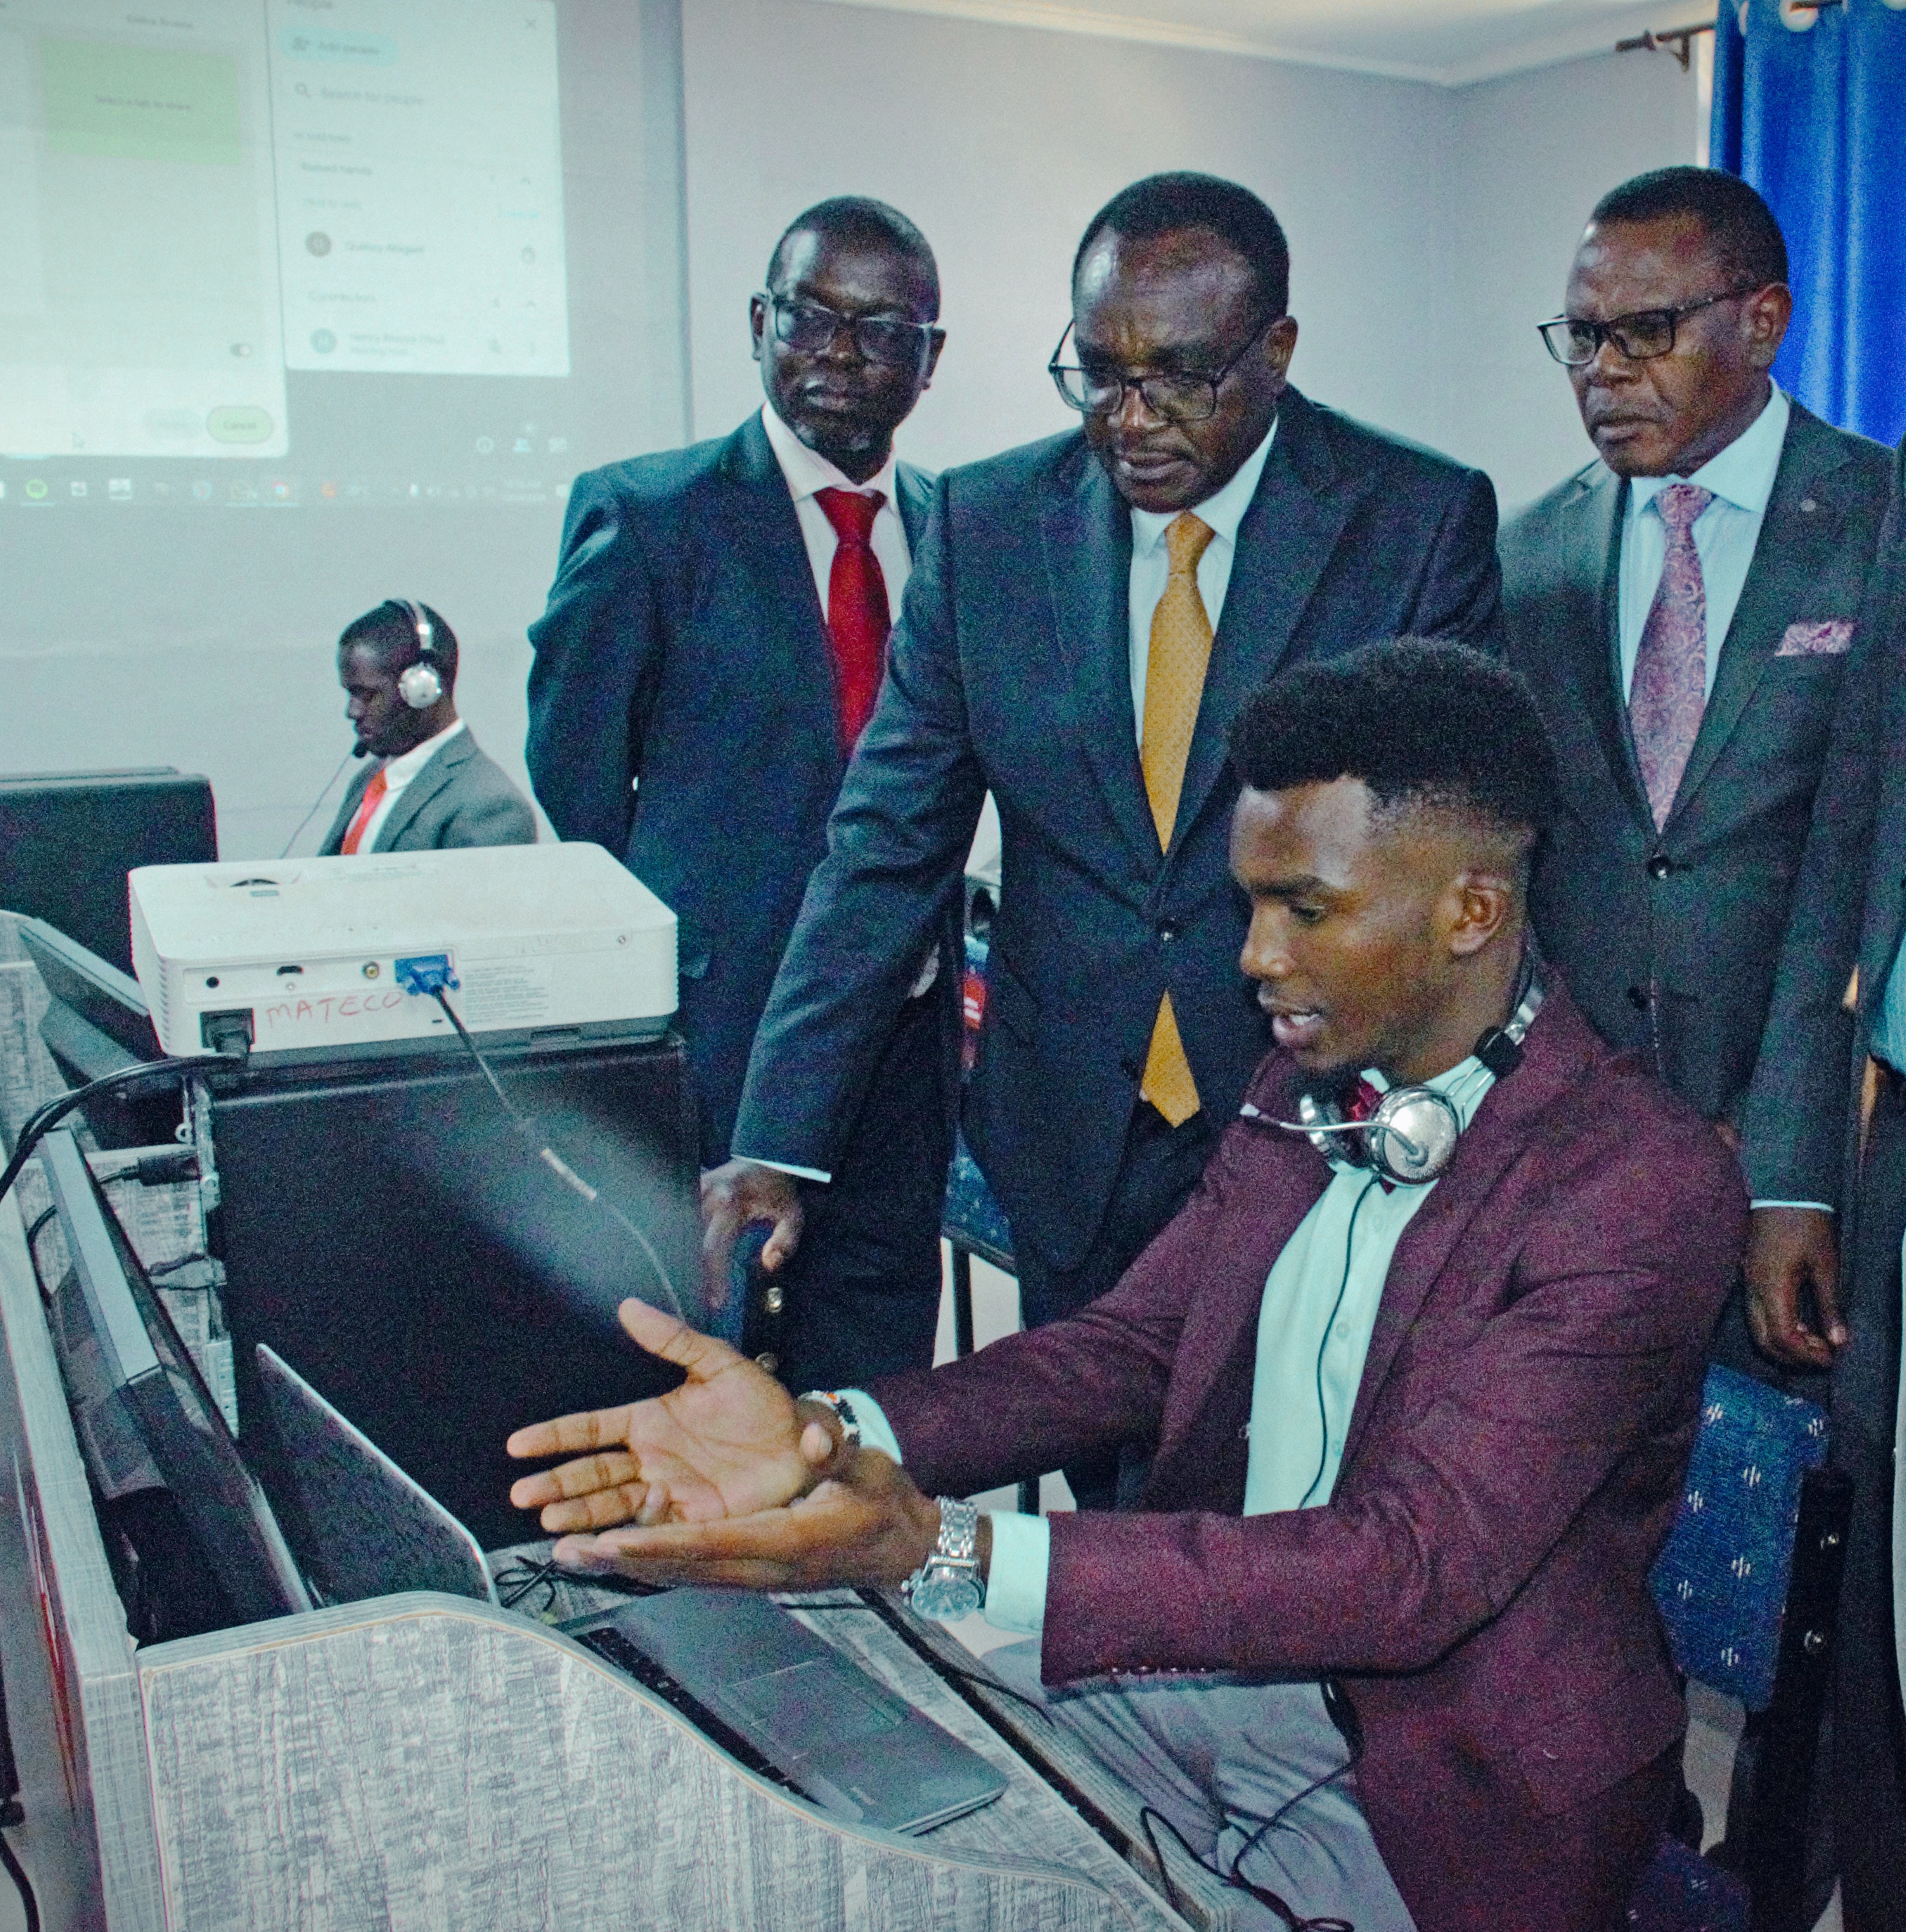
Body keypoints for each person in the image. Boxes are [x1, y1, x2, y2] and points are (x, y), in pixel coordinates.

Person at [510, 640, 1741, 1932]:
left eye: (1302, 910)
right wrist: (828, 1435)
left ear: (1469, 911)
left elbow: (1407, 1566)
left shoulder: (1631, 1184)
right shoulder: (1299, 1091)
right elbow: (1126, 1350)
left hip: (1442, 1792)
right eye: (1247, 906)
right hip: (1211, 1673)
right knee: (846, 1835)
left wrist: (944, 1553)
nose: (1254, 958)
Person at [703, 173, 1503, 1501]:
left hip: (1319, 1116)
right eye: (1096, 374)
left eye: (1178, 378)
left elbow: (1447, 857)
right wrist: (780, 1138)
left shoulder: (1407, 522)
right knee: (1104, 1496)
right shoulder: (984, 526)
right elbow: (884, 849)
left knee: (1289, 1506)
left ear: (1276, 352)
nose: (1127, 421)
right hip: (1073, 1122)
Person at [524, 198, 950, 1392]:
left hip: (903, 1046)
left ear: (929, 358)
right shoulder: (651, 516)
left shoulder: (958, 529)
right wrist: (698, 941)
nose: (838, 355)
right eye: (808, 318)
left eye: (880, 330)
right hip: (720, 1038)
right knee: (705, 1361)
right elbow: (578, 781)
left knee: (874, 1367)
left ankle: (851, 1575)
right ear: (758, 323)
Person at [1499, 166, 1892, 1380]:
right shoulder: (1528, 552)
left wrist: (1787, 1176)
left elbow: (1860, 875)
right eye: (1579, 337)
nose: (1601, 372)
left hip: (1807, 1154)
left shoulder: (1880, 522)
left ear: (1761, 321)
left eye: (1644, 333)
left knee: (1785, 1528)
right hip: (1573, 1159)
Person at [1744, 433, 1906, 1931]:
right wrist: (1797, 1163)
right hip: (1886, 1138)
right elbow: (1852, 843)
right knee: (1872, 1606)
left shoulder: (1856, 485)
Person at [323, 598, 536, 855]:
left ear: (422, 689)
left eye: (365, 694)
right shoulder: (368, 781)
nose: (352, 711)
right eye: (350, 693)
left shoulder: (490, 808)